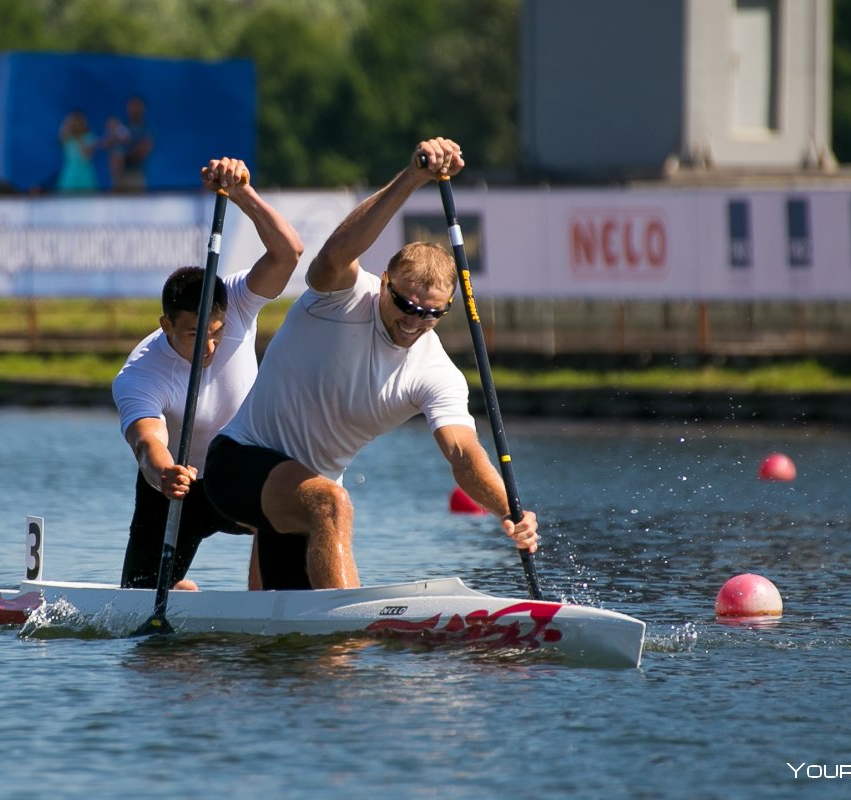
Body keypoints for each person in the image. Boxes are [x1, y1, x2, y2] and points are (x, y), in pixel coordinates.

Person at [204, 137, 539, 591]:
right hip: (238, 463)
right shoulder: (340, 295)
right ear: (383, 283)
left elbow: (463, 453)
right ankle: (354, 645)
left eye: (430, 313)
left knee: (287, 643)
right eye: (405, 303)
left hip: (303, 494)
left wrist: (510, 512)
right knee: (334, 505)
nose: (413, 320)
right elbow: (336, 253)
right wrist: (414, 177)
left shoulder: (436, 373)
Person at [112, 157, 303, 590]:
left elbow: (288, 252)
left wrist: (241, 194)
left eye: (216, 333)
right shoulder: (140, 373)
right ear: (166, 326)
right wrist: (165, 472)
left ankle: (267, 602)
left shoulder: (236, 300)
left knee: (296, 512)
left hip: (243, 469)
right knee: (139, 600)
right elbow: (146, 442)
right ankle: (180, 590)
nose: (210, 347)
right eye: (195, 335)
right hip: (175, 487)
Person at [107, 96, 154, 193]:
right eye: (131, 107)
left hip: (135, 176)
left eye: (137, 107)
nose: (133, 110)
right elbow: (108, 144)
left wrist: (122, 156)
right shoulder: (123, 127)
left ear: (142, 109)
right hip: (118, 177)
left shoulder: (146, 130)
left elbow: (142, 152)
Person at [55, 110, 101, 193]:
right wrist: (69, 121)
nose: (77, 124)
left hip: (85, 173)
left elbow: (86, 155)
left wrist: (79, 136)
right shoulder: (68, 138)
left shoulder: (90, 136)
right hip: (70, 173)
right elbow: (61, 136)